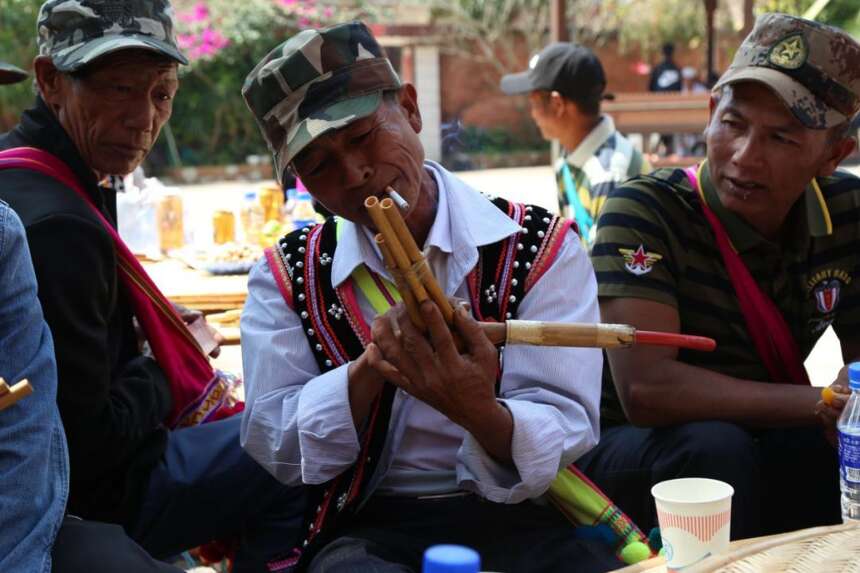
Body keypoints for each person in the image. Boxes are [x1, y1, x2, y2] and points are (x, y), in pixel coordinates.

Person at [239, 22, 620, 573]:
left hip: (522, 512)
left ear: (411, 110)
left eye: (363, 135)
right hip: (373, 521)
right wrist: (373, 369)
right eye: (319, 165)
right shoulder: (287, 274)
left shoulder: (539, 247)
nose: (355, 173)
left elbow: (569, 425)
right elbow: (274, 443)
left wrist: (478, 409)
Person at [0, 2, 304, 571]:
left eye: (160, 94)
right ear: (49, 82)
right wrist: (168, 366)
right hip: (88, 498)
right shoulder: (55, 226)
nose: (143, 118)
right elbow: (86, 446)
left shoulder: (25, 173)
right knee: (296, 448)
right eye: (119, 89)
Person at [582, 13, 860, 540]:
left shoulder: (847, 213)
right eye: (733, 124)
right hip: (634, 447)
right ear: (711, 112)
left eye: (781, 138)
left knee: (831, 448)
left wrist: (844, 403)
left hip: (761, 435)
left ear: (834, 154)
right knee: (714, 450)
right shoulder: (644, 211)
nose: (745, 157)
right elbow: (646, 388)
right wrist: (823, 402)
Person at [500, 42, 648, 244]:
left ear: (557, 104)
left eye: (533, 102)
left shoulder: (610, 175)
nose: (532, 113)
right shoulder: (568, 159)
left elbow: (605, 268)